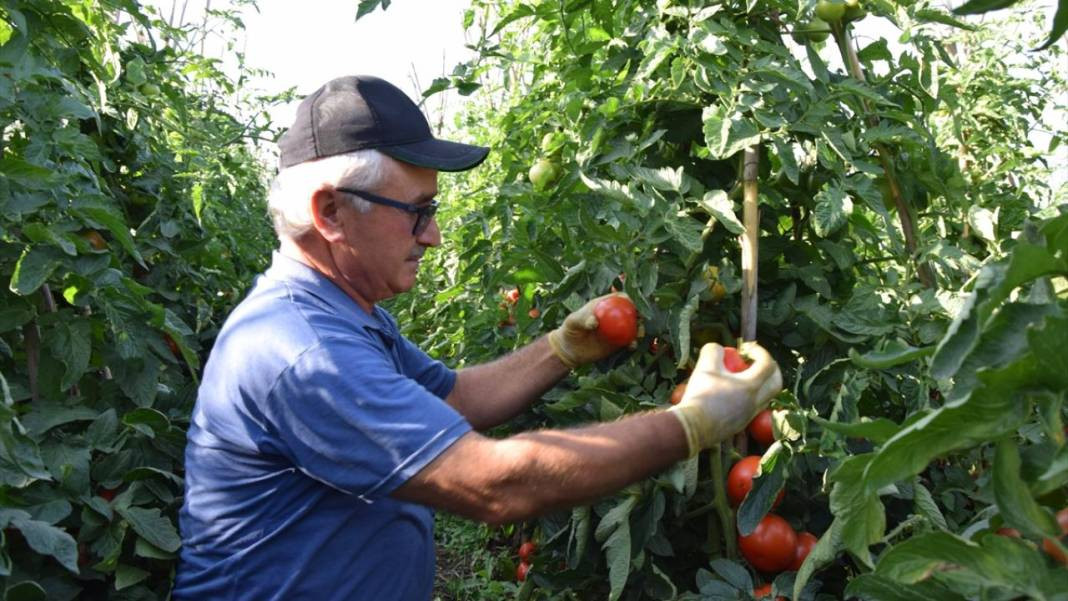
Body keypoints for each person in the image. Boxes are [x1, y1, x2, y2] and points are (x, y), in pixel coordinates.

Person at [173, 75, 782, 601]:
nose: (433, 235)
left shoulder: (342, 313)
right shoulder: (301, 350)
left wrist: (561, 348)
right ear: (330, 212)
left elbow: (454, 399)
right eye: (418, 210)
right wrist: (693, 424)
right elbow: (494, 483)